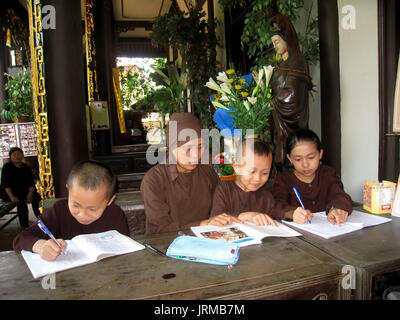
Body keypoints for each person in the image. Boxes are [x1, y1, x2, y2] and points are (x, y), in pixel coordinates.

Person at [13, 160, 129, 261]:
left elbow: (124, 250)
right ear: (68, 190)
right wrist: (40, 246)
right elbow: (20, 239)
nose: (82, 215)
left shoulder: (115, 215)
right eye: (76, 205)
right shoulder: (59, 212)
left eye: (92, 209)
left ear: (109, 200)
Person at [141, 112, 220, 234]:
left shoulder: (207, 172)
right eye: (187, 149)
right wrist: (201, 224)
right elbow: (159, 228)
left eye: (200, 147)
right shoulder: (155, 179)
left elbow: (219, 210)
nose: (195, 156)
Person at [272, 129, 353, 225]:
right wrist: (292, 213)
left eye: (311, 157)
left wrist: (337, 208)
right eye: (298, 159)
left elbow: (340, 195)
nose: (305, 164)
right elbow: (276, 206)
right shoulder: (284, 180)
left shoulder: (327, 174)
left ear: (320, 154)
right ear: (290, 158)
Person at [201, 139, 282, 227]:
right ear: (237, 167)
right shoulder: (225, 189)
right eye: (251, 171)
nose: (257, 178)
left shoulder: (267, 198)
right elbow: (216, 219)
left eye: (265, 173)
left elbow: (277, 215)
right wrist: (244, 216)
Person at [269, 14, 312, 166]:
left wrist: (274, 102)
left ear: (287, 39)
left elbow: (293, 92)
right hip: (279, 117)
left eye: (277, 41)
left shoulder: (297, 61)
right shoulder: (281, 65)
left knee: (294, 151)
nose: (275, 46)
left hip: (291, 117)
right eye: (273, 43)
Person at [0, 147, 41, 228]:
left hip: (25, 191)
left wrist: (30, 194)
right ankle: (24, 225)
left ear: (22, 155)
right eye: (14, 155)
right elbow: (6, 184)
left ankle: (40, 220)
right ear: (10, 157)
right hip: (11, 193)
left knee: (36, 197)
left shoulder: (26, 167)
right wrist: (12, 197)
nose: (17, 156)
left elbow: (31, 182)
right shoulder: (7, 167)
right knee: (21, 203)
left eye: (19, 154)